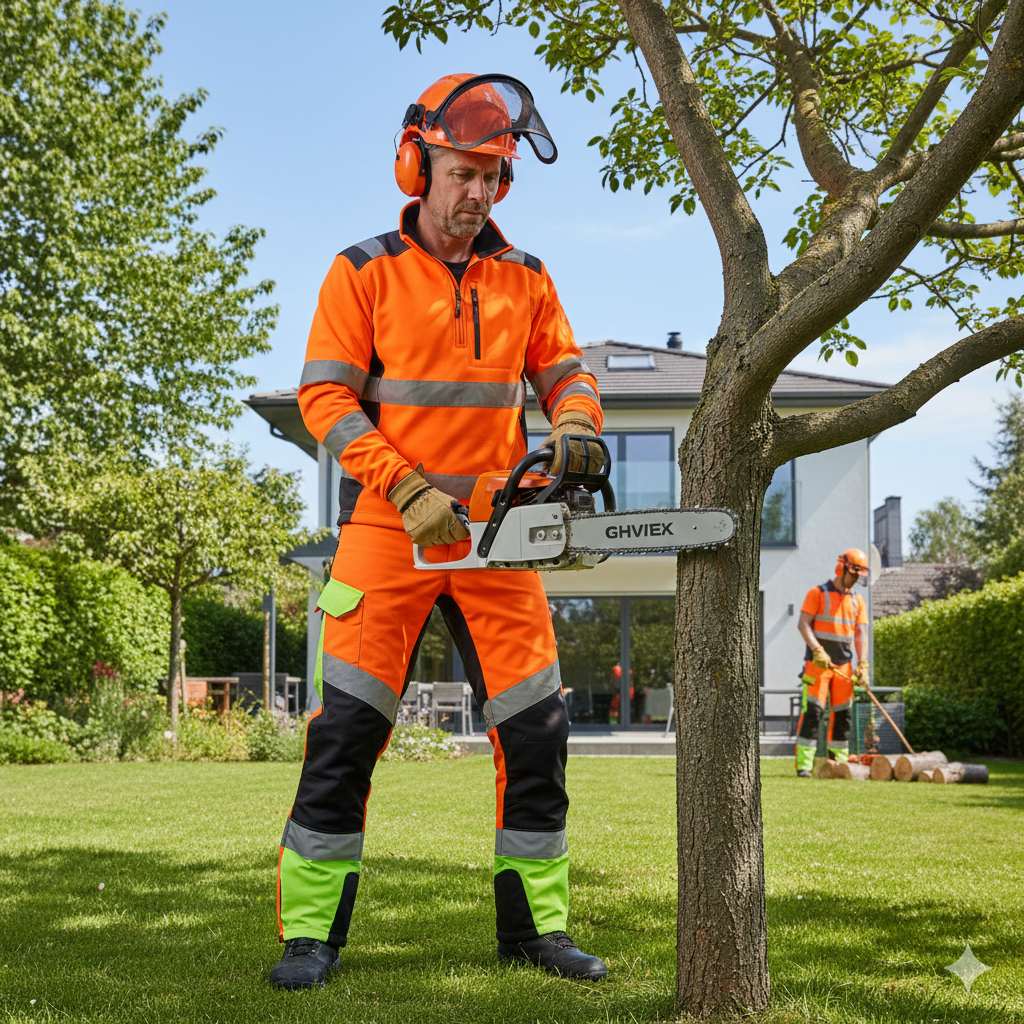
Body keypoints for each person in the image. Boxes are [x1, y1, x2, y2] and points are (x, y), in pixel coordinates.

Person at [269, 73, 609, 990]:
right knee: (345, 732)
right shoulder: (362, 270)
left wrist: (578, 423)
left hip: (498, 536)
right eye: (463, 172)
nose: (477, 193)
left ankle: (537, 931)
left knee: (537, 731)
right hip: (388, 529)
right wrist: (404, 483)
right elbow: (325, 397)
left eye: (492, 177)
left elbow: (567, 372)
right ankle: (311, 936)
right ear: (417, 166)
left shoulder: (527, 278)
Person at [793, 548, 870, 777]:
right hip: (817, 665)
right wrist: (817, 650)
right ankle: (804, 765)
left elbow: (861, 634)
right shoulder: (817, 593)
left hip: (844, 665)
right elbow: (803, 624)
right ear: (842, 568)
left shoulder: (857, 601)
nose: (855, 580)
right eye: (853, 574)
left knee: (843, 715)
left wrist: (863, 664)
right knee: (813, 713)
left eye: (858, 576)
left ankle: (839, 763)